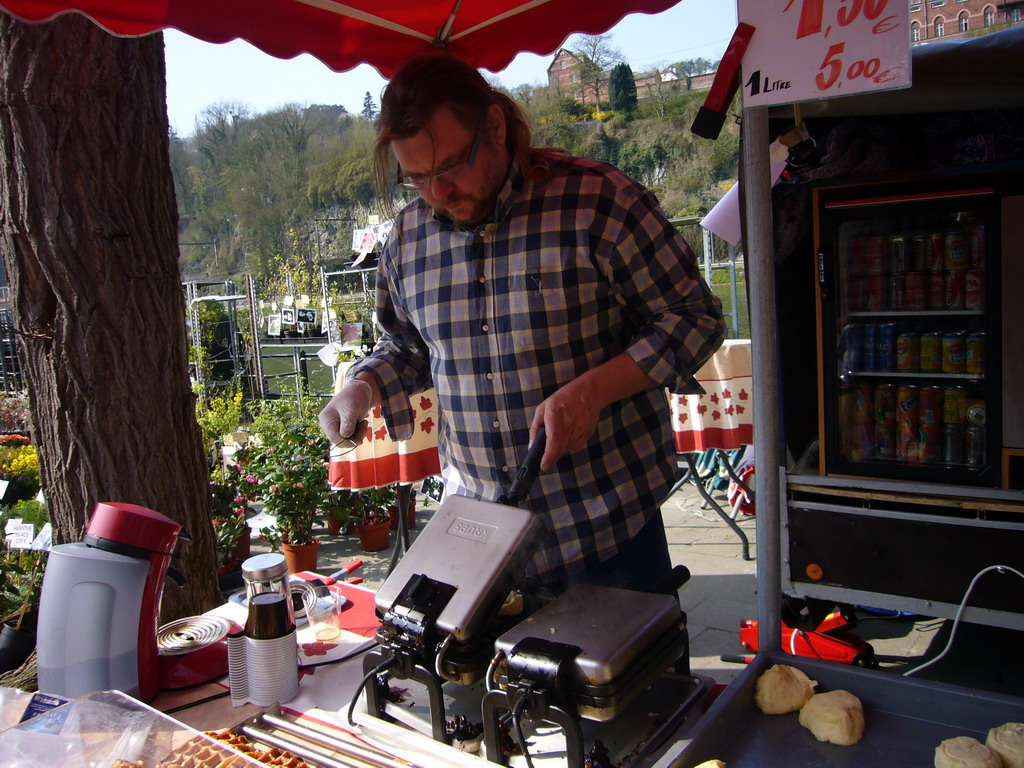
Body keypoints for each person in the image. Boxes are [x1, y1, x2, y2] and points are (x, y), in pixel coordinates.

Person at [319, 52, 726, 597]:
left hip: (607, 529)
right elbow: (408, 348)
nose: (437, 194)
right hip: (482, 540)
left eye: (451, 167)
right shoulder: (407, 238)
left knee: (631, 683)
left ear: (494, 126)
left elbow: (694, 317)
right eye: (415, 178)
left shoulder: (597, 201)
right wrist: (361, 388)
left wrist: (595, 391)